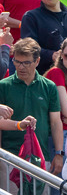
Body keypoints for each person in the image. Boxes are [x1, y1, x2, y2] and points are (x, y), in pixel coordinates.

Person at [0, 38, 63, 175]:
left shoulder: (49, 87)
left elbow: (55, 122)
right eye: (17, 61)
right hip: (9, 157)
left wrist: (59, 153)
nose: (21, 67)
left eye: (26, 63)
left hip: (40, 158)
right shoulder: (3, 86)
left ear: (37, 61)